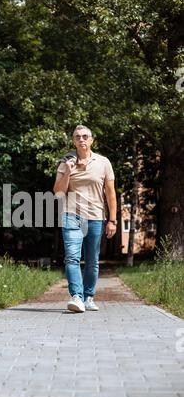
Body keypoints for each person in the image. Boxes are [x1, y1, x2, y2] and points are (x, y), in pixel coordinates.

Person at [53, 125, 117, 313]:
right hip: (71, 215)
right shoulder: (65, 162)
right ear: (73, 141)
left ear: (91, 140)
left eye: (85, 136)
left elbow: (110, 193)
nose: (81, 139)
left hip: (96, 216)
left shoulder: (104, 162)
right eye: (77, 137)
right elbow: (58, 192)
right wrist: (67, 171)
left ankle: (89, 297)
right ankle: (77, 297)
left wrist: (112, 220)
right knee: (72, 258)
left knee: (92, 260)